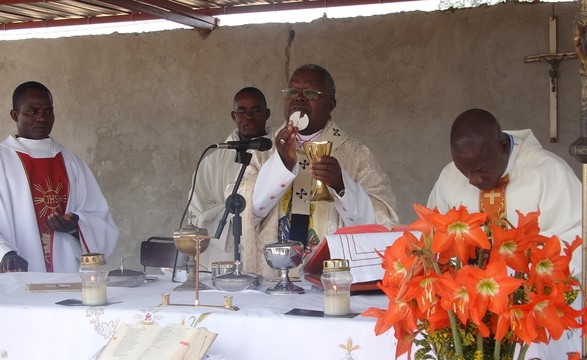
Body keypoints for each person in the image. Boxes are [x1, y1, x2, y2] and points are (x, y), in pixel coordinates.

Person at [428, 109, 583, 360]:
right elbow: (434, 240)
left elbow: (578, 240)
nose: (472, 180)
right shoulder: (449, 177)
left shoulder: (548, 173)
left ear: (502, 146)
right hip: (469, 309)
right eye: (464, 171)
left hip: (533, 307)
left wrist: (519, 267)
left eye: (480, 170)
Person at [238, 64, 399, 277]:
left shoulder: (356, 155)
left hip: (331, 282)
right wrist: (281, 165)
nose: (299, 99)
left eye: (311, 93)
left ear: (331, 103)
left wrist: (343, 187)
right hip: (272, 281)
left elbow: (383, 224)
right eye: (292, 92)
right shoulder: (263, 150)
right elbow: (243, 213)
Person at [0, 81, 119, 273]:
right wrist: (5, 253)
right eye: (33, 111)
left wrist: (75, 225)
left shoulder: (71, 162)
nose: (41, 118)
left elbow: (100, 217)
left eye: (48, 111)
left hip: (65, 273)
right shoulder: (2, 161)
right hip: (15, 272)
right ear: (15, 115)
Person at [188, 87, 271, 270]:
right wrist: (238, 217)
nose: (248, 117)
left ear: (266, 114)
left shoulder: (280, 156)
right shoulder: (212, 161)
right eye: (242, 111)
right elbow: (198, 210)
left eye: (255, 110)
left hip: (267, 246)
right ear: (234, 116)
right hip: (223, 252)